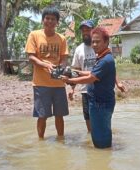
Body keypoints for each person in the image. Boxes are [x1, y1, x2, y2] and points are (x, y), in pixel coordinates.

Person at [61, 26, 116, 148]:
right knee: (100, 133)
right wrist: (77, 72)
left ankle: (102, 161)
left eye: (98, 41)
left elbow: (90, 78)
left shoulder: (105, 60)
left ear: (106, 42)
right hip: (99, 102)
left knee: (100, 138)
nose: (94, 44)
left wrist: (70, 80)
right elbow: (92, 74)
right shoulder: (102, 57)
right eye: (93, 41)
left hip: (100, 104)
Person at [69, 20, 126, 132]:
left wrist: (117, 83)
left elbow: (109, 70)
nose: (85, 32)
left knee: (101, 120)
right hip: (86, 90)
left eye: (88, 30)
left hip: (100, 90)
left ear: (93, 31)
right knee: (89, 118)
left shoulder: (102, 49)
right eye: (83, 30)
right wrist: (72, 88)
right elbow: (77, 70)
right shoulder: (79, 49)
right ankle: (93, 138)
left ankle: (101, 139)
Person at [25, 7, 69, 139]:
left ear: (57, 22)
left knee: (59, 115)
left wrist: (60, 67)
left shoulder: (62, 38)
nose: (50, 21)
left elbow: (64, 58)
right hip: (41, 83)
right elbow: (31, 57)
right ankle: (41, 140)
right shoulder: (34, 35)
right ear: (43, 20)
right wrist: (45, 65)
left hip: (58, 84)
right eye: (47, 18)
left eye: (53, 19)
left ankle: (61, 140)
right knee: (42, 115)